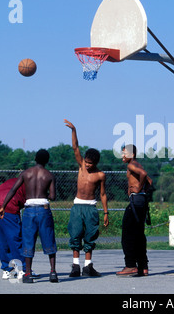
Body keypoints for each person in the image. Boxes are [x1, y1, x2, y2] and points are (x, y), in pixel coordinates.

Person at [0, 149, 58, 283]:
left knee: (28, 240)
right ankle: (53, 272)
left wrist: (3, 206)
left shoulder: (26, 173)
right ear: (47, 161)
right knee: (48, 239)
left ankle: (28, 274)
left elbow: (13, 190)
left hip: (29, 210)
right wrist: (44, 196)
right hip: (44, 209)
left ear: (35, 159)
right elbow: (53, 196)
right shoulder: (49, 175)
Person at [64, 119, 109, 277]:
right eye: (87, 162)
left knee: (90, 236)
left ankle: (88, 267)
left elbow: (103, 194)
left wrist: (105, 213)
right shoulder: (81, 166)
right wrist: (74, 130)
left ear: (95, 163)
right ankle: (75, 267)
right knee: (75, 235)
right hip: (78, 206)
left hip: (91, 208)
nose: (88, 165)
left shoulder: (100, 175)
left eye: (90, 163)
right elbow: (75, 147)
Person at [117, 144, 152, 277]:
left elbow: (144, 175)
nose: (122, 156)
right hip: (141, 201)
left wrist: (137, 190)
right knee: (139, 234)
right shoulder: (138, 164)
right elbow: (150, 181)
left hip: (136, 200)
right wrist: (143, 191)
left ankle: (130, 265)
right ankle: (143, 266)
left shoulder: (131, 165)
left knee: (127, 234)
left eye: (124, 153)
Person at [0, 178, 27, 280]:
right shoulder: (31, 184)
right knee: (15, 239)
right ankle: (22, 270)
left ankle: (7, 269)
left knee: (1, 240)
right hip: (9, 205)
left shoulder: (14, 180)